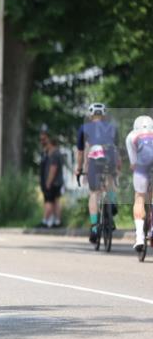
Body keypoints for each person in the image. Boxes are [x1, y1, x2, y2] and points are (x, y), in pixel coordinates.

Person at [75, 103, 120, 243]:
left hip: (95, 156)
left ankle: (94, 227)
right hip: (110, 155)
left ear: (90, 115)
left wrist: (79, 169)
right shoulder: (113, 127)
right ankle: (111, 204)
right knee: (110, 180)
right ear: (104, 115)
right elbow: (116, 149)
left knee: (94, 193)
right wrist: (118, 168)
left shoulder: (84, 128)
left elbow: (81, 152)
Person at [126, 115, 153, 252]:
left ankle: (139, 238)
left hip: (142, 167)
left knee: (139, 198)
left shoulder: (132, 136)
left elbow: (133, 163)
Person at [38, 129, 64, 228]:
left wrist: (48, 182)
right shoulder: (49, 153)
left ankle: (45, 221)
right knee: (55, 201)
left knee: (49, 201)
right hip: (56, 182)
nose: (42, 142)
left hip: (53, 182)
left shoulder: (54, 154)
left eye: (44, 140)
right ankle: (55, 221)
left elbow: (53, 169)